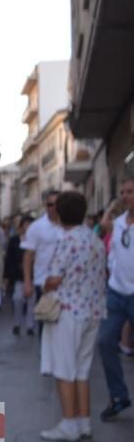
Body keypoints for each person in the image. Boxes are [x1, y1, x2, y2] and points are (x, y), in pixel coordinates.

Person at [38, 192, 105, 441]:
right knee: (82, 370)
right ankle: (84, 421)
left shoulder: (67, 240)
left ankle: (68, 423)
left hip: (68, 312)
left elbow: (54, 278)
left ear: (61, 213)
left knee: (64, 368)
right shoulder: (94, 238)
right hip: (93, 310)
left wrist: (46, 284)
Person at [96, 178, 134, 420]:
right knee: (105, 341)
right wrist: (111, 208)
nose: (125, 196)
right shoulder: (118, 223)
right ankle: (118, 395)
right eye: (122, 192)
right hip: (116, 293)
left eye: (130, 192)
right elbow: (101, 226)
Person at [22, 189, 64, 336]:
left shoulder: (69, 225)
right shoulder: (36, 227)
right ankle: (46, 357)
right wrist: (27, 282)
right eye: (49, 204)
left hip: (67, 284)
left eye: (56, 204)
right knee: (46, 327)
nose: (53, 208)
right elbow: (28, 256)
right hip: (44, 283)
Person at [5, 215, 36, 336]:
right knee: (17, 299)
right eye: (25, 224)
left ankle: (30, 325)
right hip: (18, 275)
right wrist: (7, 276)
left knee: (31, 302)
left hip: (33, 275)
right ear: (21, 226)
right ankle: (17, 323)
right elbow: (9, 258)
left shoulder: (35, 240)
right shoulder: (14, 240)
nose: (27, 227)